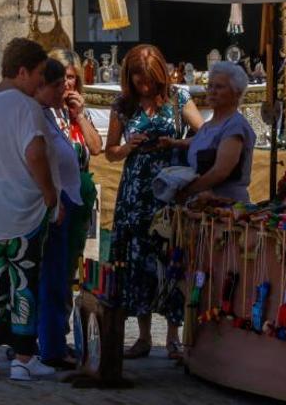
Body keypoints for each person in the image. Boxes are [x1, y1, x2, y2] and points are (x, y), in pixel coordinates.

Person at [0, 38, 59, 381]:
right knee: (24, 280)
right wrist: (49, 192)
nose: (41, 84)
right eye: (39, 76)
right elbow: (34, 153)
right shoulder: (25, 106)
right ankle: (22, 357)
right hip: (23, 208)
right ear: (22, 71)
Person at [105, 44, 203, 360]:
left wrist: (175, 142)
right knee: (137, 259)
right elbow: (110, 151)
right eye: (137, 79)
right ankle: (144, 336)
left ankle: (173, 337)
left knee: (169, 255)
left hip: (169, 188)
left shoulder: (178, 98)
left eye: (148, 79)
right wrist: (127, 147)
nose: (143, 85)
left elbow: (203, 135)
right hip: (136, 192)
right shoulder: (123, 105)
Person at [46, 49, 102, 344]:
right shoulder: (45, 111)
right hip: (56, 196)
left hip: (80, 197)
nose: (67, 84)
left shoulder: (79, 111)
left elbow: (95, 148)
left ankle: (64, 329)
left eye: (71, 77)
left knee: (73, 267)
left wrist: (79, 115)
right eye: (62, 78)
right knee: (55, 266)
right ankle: (51, 331)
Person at [34, 59, 82, 369]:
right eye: (59, 86)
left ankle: (53, 342)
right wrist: (53, 199)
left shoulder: (53, 113)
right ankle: (50, 346)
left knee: (59, 276)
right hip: (53, 203)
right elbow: (38, 159)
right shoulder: (36, 114)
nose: (63, 92)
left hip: (64, 198)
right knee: (51, 278)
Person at [171, 62, 256, 203]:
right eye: (210, 86)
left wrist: (187, 191)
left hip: (226, 208)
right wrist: (173, 143)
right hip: (204, 207)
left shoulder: (235, 126)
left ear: (237, 93)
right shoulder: (209, 125)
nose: (212, 91)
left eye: (219, 87)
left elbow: (220, 171)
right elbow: (201, 141)